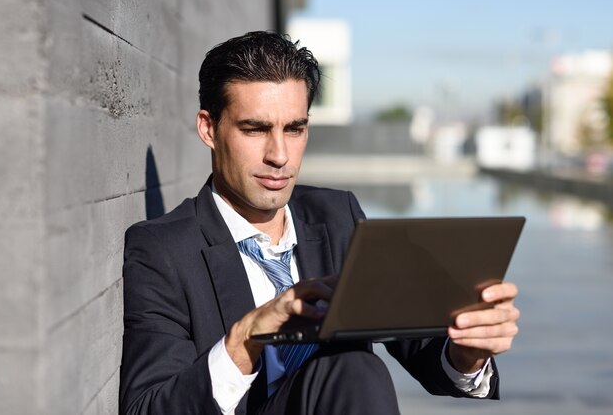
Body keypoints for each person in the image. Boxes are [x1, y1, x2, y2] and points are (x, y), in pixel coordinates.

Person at [119, 31, 520, 415]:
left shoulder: (338, 217)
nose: (279, 155)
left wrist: (467, 351)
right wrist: (246, 339)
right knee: (353, 367)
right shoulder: (163, 250)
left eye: (295, 129)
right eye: (255, 129)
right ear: (209, 128)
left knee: (354, 369)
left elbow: (421, 347)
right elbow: (146, 408)